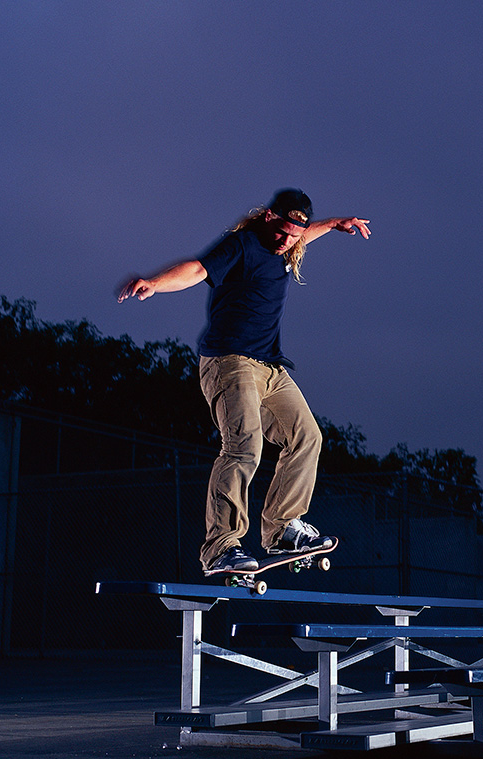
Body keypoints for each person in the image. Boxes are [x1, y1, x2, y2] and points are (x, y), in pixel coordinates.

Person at [118, 189, 370, 574]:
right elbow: (198, 269)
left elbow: (305, 234)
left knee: (307, 436)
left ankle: (283, 527)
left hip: (270, 369)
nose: (288, 241)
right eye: (284, 231)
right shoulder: (243, 245)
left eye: (295, 235)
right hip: (228, 362)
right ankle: (220, 546)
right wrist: (155, 282)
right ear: (269, 218)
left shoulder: (292, 240)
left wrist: (335, 225)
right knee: (244, 446)